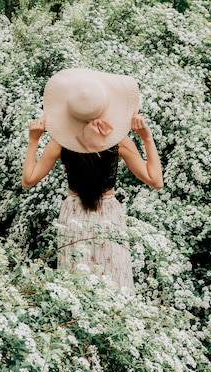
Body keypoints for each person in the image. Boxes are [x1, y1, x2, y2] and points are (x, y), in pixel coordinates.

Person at [21, 68, 163, 291]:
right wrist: (147, 138)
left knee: (76, 283)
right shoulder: (119, 141)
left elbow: (28, 179)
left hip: (74, 215)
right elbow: (156, 180)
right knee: (114, 281)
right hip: (108, 216)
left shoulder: (60, 141)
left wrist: (33, 140)